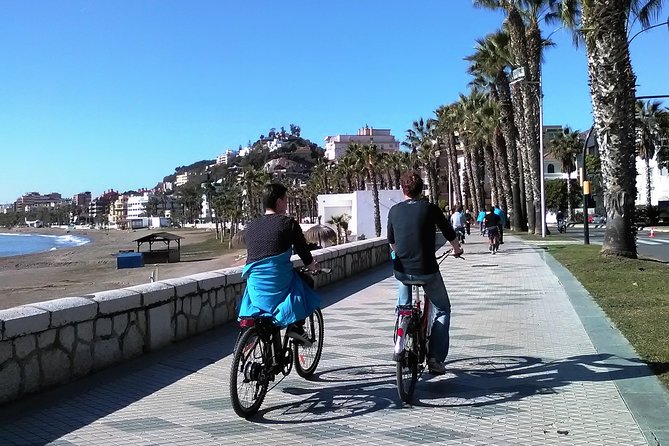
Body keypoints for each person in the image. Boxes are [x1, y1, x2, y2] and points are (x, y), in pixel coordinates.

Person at [387, 172, 464, 375]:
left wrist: (400, 254)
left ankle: (401, 335)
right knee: (442, 309)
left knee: (403, 307)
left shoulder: (394, 211)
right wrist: (456, 249)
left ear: (403, 189)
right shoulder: (430, 208)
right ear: (421, 189)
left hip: (402, 271)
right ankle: (435, 359)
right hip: (427, 270)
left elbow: (391, 241)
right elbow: (448, 231)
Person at [237, 183, 319, 345]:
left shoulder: (251, 226)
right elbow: (303, 252)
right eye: (286, 200)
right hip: (278, 283)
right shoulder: (288, 223)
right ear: (279, 201)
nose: (287, 203)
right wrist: (312, 265)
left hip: (256, 285)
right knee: (306, 282)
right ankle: (296, 327)